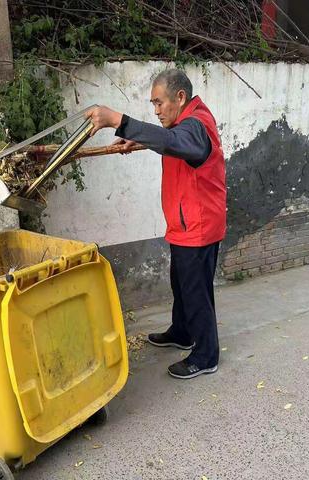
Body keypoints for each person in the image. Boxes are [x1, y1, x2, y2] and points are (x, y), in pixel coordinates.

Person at [86, 69, 226, 379]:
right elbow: (169, 141)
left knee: (196, 291)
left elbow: (177, 141)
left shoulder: (196, 125)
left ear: (180, 97)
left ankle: (206, 355)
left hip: (198, 227)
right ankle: (182, 332)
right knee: (181, 283)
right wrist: (136, 136)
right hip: (184, 224)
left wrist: (119, 121)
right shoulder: (183, 124)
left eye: (159, 103)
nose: (156, 110)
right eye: (152, 104)